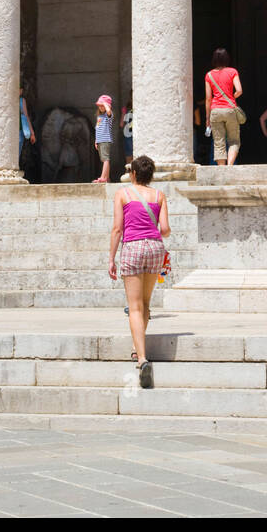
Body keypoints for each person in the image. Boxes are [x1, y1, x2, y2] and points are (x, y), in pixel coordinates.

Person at [109, 154, 170, 388]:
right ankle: (136, 347)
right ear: (150, 175)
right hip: (155, 248)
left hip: (133, 247)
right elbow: (164, 229)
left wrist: (111, 258)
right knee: (145, 303)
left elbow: (117, 229)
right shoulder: (159, 195)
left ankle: (142, 358)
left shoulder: (122, 194)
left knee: (134, 306)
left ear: (133, 174)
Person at [205, 48, 243, 166]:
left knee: (218, 142)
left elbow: (208, 98)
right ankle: (230, 166)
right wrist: (232, 97)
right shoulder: (232, 72)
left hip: (215, 110)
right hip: (230, 110)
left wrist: (207, 118)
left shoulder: (209, 75)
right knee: (234, 140)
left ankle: (222, 169)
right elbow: (239, 90)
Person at [92, 94, 113, 183]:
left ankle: (103, 177)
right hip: (100, 141)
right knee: (104, 159)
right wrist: (96, 140)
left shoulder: (109, 115)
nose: (100, 107)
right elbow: (97, 129)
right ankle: (107, 178)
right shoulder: (99, 117)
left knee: (105, 159)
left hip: (105, 140)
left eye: (102, 105)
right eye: (99, 105)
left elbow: (109, 112)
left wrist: (106, 105)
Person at [19, 88, 36, 169]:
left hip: (20, 131)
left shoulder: (21, 101)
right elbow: (26, 117)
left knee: (17, 152)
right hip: (13, 132)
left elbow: (26, 117)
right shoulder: (20, 100)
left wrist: (32, 133)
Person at [121, 96, 134, 172]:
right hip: (136, 135)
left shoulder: (126, 109)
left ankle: (129, 176)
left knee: (129, 160)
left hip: (128, 134)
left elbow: (121, 124)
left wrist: (123, 112)